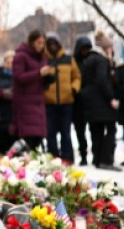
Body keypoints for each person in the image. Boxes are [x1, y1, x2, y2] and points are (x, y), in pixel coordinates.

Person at [81, 31, 120, 171]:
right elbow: (103, 81)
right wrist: (111, 98)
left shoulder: (88, 60)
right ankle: (106, 160)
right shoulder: (102, 61)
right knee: (110, 129)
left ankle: (97, 159)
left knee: (96, 131)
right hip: (103, 102)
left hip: (91, 103)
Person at [11, 30, 54, 152]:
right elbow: (19, 77)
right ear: (32, 42)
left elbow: (41, 81)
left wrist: (49, 77)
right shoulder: (21, 56)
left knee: (38, 140)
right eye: (38, 42)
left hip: (38, 104)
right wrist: (39, 73)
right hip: (25, 103)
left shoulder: (42, 57)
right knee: (27, 139)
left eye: (43, 43)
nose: (41, 45)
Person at [43, 32, 81, 163]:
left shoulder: (68, 59)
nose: (53, 46)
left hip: (66, 101)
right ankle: (52, 158)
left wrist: (73, 88)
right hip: (49, 102)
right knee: (50, 132)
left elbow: (77, 76)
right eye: (50, 44)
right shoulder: (44, 61)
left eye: (55, 43)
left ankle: (67, 157)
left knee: (66, 131)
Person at [72, 36, 92, 165]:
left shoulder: (91, 61)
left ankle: (93, 154)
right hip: (77, 102)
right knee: (80, 131)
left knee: (93, 130)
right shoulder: (74, 62)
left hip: (90, 101)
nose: (85, 52)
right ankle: (83, 154)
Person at [0, 51, 17, 154]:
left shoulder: (19, 76)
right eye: (8, 62)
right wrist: (2, 93)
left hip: (15, 114)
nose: (10, 65)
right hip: (2, 114)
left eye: (12, 63)